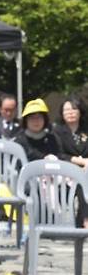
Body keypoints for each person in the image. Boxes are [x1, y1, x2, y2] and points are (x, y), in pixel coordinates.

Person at [53, 95, 88, 227]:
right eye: (67, 110)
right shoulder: (56, 131)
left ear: (80, 111)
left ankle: (83, 220)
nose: (70, 113)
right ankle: (84, 221)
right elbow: (58, 154)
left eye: (74, 109)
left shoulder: (86, 130)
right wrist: (80, 161)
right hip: (65, 174)